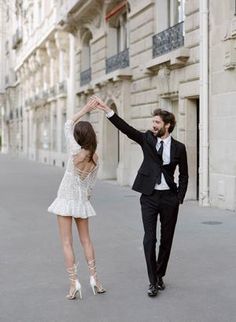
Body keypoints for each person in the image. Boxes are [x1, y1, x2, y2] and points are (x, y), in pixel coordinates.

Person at [95, 96, 188, 297]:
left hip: (169, 199)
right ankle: (152, 282)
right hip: (149, 197)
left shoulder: (179, 147)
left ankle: (159, 274)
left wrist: (179, 198)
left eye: (157, 122)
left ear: (167, 125)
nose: (153, 125)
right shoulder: (147, 139)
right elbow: (127, 129)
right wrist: (107, 111)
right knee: (149, 239)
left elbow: (185, 174)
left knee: (167, 240)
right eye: (152, 122)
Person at [48, 97, 106, 300]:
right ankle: (95, 280)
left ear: (78, 137)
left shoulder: (75, 152)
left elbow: (67, 123)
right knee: (86, 240)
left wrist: (85, 109)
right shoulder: (96, 160)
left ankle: (74, 284)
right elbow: (91, 186)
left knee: (66, 242)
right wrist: (84, 196)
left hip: (65, 199)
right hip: (81, 201)